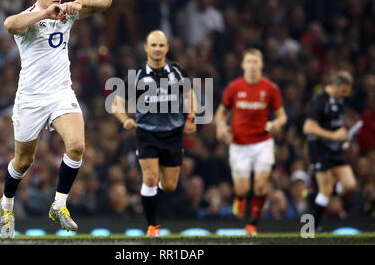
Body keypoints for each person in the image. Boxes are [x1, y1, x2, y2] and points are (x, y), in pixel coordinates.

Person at [0, 0, 112, 238]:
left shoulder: (67, 12)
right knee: (23, 161)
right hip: (31, 99)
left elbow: (106, 1)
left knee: (77, 146)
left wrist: (80, 3)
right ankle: (6, 204)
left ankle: (59, 205)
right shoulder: (29, 18)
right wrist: (43, 13)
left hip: (61, 94)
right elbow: (9, 24)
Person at [111, 30, 197, 236]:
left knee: (169, 185)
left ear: (167, 48)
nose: (157, 49)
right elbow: (116, 104)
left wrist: (191, 118)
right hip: (147, 133)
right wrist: (126, 121)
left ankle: (156, 187)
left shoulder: (177, 72)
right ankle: (152, 226)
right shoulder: (136, 75)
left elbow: (189, 95)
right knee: (149, 178)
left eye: (161, 45)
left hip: (173, 134)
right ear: (146, 48)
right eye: (154, 45)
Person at [214, 49, 287, 235]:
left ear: (261, 65)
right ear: (243, 65)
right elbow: (221, 113)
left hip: (262, 142)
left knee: (261, 185)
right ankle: (239, 197)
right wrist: (221, 126)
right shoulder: (234, 88)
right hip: (239, 144)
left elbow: (282, 116)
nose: (252, 65)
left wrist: (276, 124)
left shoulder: (270, 89)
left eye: (255, 62)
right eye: (249, 61)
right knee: (243, 189)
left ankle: (253, 223)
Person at [303, 71, 357, 231]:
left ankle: (316, 196)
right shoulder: (320, 100)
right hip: (319, 149)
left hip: (335, 149)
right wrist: (333, 135)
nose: (346, 94)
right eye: (344, 90)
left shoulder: (339, 101)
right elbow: (308, 127)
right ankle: (311, 228)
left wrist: (344, 134)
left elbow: (333, 124)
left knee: (350, 184)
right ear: (335, 85)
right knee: (325, 190)